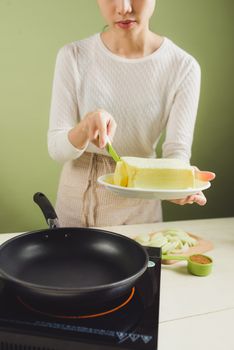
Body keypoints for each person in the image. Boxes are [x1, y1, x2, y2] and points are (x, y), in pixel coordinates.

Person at [48, 0, 215, 227]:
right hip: (74, 206)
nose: (124, 8)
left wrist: (177, 187)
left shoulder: (183, 67)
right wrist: (85, 127)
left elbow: (177, 153)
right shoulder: (73, 56)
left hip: (140, 209)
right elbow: (57, 149)